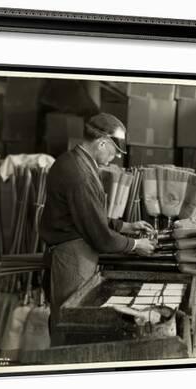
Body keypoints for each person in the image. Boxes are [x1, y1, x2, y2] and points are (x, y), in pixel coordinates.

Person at [40, 113, 156, 346]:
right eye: (115, 152)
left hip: (75, 251)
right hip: (72, 257)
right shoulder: (79, 174)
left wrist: (126, 226)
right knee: (71, 321)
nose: (115, 159)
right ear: (102, 142)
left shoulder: (75, 161)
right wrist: (136, 245)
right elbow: (101, 237)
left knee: (72, 318)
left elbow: (89, 215)